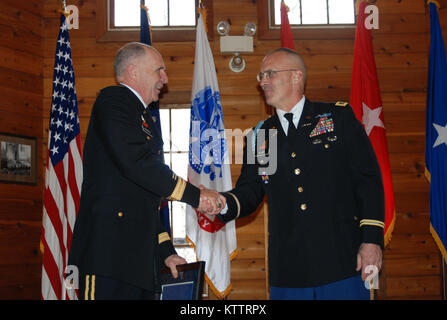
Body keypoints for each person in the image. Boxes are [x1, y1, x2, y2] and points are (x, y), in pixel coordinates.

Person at [213, 48, 385, 300]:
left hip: (344, 261)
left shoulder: (337, 117)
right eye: (261, 75)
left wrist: (372, 240)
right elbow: (250, 192)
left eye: (269, 74)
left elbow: (368, 182)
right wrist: (222, 203)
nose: (262, 81)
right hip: (289, 270)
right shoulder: (260, 136)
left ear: (296, 76)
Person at [67, 42, 225, 300]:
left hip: (138, 265)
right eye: (159, 70)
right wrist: (196, 196)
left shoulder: (142, 117)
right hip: (108, 257)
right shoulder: (114, 100)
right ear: (133, 71)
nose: (165, 78)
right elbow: (137, 164)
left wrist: (166, 252)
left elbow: (147, 202)